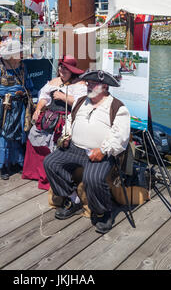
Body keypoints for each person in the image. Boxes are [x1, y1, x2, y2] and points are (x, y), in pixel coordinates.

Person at [44, 69, 131, 234]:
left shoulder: (117, 107)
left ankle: (103, 212)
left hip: (99, 152)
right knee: (50, 163)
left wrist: (104, 150)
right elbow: (70, 120)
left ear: (104, 86)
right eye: (88, 83)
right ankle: (73, 198)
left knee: (93, 178)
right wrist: (66, 135)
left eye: (93, 84)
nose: (89, 86)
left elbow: (121, 136)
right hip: (74, 148)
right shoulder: (81, 101)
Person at [22, 55, 87, 189]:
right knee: (35, 136)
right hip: (49, 116)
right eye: (61, 67)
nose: (62, 71)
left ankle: (53, 177)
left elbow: (81, 103)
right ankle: (35, 173)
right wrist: (38, 109)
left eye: (66, 69)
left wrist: (64, 97)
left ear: (72, 71)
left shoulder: (80, 84)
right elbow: (44, 97)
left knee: (57, 144)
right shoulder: (54, 81)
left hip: (66, 119)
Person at [0, 38, 34, 180]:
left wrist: (24, 93)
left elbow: (28, 85)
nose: (21, 55)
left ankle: (17, 161)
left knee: (19, 134)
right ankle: (3, 165)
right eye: (19, 52)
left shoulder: (23, 66)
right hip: (5, 107)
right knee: (4, 135)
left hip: (20, 106)